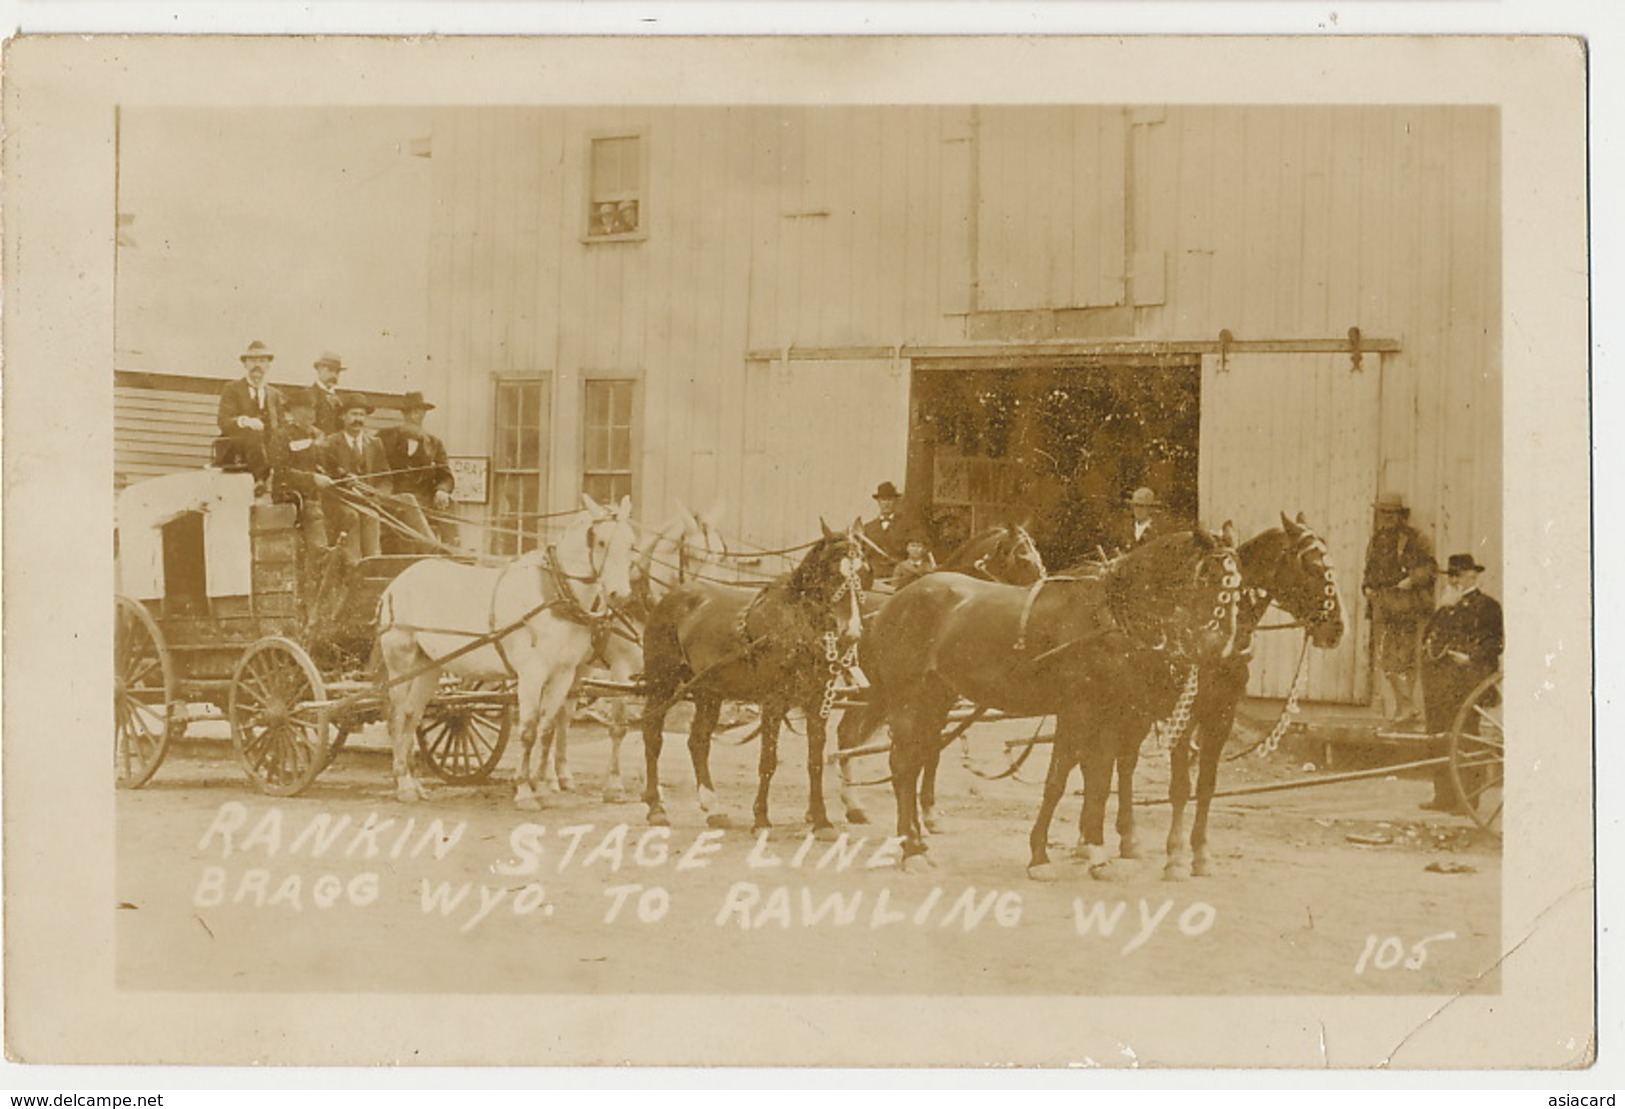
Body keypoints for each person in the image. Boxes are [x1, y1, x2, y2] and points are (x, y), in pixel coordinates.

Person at [1419, 554, 1504, 811]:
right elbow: (1430, 638)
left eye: (1459, 575)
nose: (1454, 580)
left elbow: (1495, 643)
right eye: (1452, 576)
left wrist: (1470, 657)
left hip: (1469, 681)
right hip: (1441, 682)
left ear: (1472, 576)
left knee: (1466, 738)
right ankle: (1443, 797)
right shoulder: (1447, 605)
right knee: (1439, 736)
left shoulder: (1488, 606)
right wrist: (1444, 608)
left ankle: (1468, 800)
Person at [1361, 491, 1437, 727]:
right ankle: (1406, 706)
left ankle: (1406, 707)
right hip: (1382, 603)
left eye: (1392, 512)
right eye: (1383, 512)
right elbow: (1369, 570)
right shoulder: (1376, 539)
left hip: (1407, 604)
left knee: (1405, 657)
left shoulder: (1415, 538)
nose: (1387, 517)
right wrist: (1366, 588)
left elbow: (1430, 569)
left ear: (1401, 514)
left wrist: (1412, 580)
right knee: (1385, 658)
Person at [378, 390, 458, 548]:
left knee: (450, 503)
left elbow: (446, 476)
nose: (417, 416)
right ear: (404, 414)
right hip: (395, 498)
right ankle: (432, 549)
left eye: (421, 412)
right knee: (409, 502)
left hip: (425, 499)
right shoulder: (385, 437)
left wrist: (442, 490)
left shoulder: (434, 443)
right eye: (413, 412)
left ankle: (453, 549)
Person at [266, 388, 336, 563]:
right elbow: (281, 471)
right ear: (292, 411)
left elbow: (330, 464)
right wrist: (312, 479)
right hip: (292, 498)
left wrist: (343, 474)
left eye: (312, 409)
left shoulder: (318, 436)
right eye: (304, 409)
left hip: (319, 497)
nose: (310, 413)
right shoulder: (282, 436)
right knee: (314, 515)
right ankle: (321, 563)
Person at [216, 339, 283, 491]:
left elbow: (281, 427)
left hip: (269, 452)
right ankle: (260, 478)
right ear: (245, 364)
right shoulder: (232, 389)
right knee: (253, 432)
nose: (257, 365)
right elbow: (223, 421)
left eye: (262, 360)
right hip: (236, 450)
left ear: (268, 365)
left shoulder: (275, 395)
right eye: (252, 360)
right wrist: (244, 421)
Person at [862, 481, 912, 580]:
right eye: (883, 500)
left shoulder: (906, 526)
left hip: (899, 577)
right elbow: (863, 555)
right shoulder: (868, 528)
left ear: (895, 501)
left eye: (890, 499)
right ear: (878, 502)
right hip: (874, 577)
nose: (886, 504)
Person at [1113, 486, 1163, 553]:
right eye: (1135, 506)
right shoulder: (1125, 528)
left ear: (1151, 508)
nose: (1138, 510)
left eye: (1142, 506)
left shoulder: (1158, 531)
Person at [309, 352, 348, 436]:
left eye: (337, 372)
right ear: (319, 370)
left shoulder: (339, 400)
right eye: (330, 370)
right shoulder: (309, 395)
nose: (334, 375)